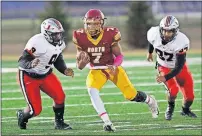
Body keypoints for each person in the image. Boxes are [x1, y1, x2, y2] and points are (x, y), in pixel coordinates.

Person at [72, 9, 159, 132]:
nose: (92, 27)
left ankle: (150, 101)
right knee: (92, 90)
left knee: (131, 95)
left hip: (113, 68)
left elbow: (119, 56)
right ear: (85, 23)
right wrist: (81, 63)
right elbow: (79, 66)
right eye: (89, 23)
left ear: (101, 23)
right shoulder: (79, 36)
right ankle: (107, 122)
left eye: (95, 23)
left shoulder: (110, 33)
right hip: (96, 70)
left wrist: (115, 65)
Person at [16, 18, 74, 130]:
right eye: (55, 35)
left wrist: (64, 69)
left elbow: (57, 58)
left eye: (59, 34)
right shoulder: (36, 42)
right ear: (46, 33)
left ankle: (59, 123)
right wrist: (31, 63)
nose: (59, 37)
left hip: (46, 74)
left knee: (60, 97)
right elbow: (22, 61)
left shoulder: (60, 43)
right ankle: (22, 114)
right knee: (35, 110)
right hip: (29, 76)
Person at [146, 15, 197, 120]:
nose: (166, 34)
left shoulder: (181, 41)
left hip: (178, 67)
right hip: (163, 66)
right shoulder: (153, 33)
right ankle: (170, 107)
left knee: (190, 97)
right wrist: (150, 52)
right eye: (164, 30)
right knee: (173, 90)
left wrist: (165, 77)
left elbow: (179, 66)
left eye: (170, 31)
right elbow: (151, 42)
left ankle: (185, 110)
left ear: (176, 31)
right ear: (160, 29)